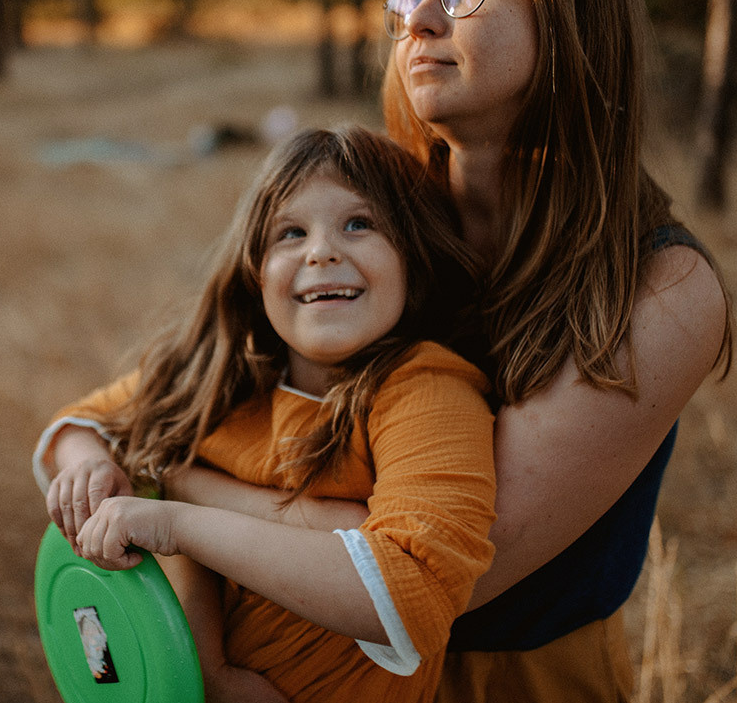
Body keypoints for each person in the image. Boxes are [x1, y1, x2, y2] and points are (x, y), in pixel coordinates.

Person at [114, 0, 734, 700]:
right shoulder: (377, 227)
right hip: (290, 651)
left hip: (514, 677)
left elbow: (445, 568)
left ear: (576, 11)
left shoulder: (662, 291)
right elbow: (173, 393)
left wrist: (178, 483)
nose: (421, 19)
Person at [34, 126, 499, 702]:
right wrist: (89, 465)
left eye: (359, 223)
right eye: (291, 232)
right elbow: (81, 422)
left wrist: (175, 518)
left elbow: (409, 595)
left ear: (414, 255)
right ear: (255, 273)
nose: (321, 250)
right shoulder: (226, 376)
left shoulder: (424, 389)